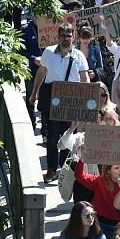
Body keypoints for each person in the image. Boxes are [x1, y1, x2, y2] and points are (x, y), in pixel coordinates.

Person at [28, 23, 89, 183]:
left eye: (68, 35)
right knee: (53, 137)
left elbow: (85, 78)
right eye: (62, 35)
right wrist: (34, 94)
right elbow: (41, 73)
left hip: (71, 100)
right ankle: (51, 169)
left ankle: (64, 170)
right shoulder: (48, 53)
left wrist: (88, 104)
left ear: (73, 37)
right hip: (53, 99)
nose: (65, 38)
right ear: (58, 37)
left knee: (68, 136)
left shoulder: (79, 56)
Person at [74, 160, 120, 239]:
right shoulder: (99, 181)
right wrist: (82, 160)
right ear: (108, 171)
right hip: (101, 224)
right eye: (117, 168)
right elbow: (79, 175)